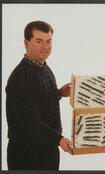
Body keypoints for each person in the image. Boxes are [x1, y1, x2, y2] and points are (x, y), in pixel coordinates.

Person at [5, 21, 73, 170]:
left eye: (49, 41)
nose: (45, 47)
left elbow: (37, 98)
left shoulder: (42, 66)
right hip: (27, 155)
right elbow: (30, 121)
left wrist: (59, 93)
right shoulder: (21, 77)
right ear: (26, 43)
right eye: (39, 41)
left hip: (47, 149)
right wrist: (59, 139)